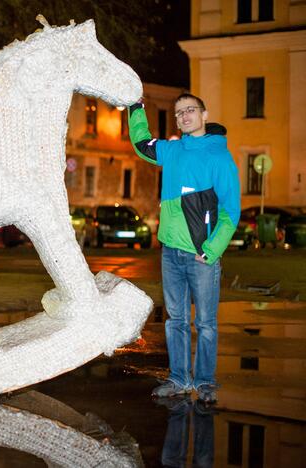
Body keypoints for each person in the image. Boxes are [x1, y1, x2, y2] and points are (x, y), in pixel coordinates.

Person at [128, 93, 240, 404]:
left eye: (190, 110)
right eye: (179, 113)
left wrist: (212, 249)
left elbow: (231, 211)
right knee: (175, 320)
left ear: (204, 114)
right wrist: (134, 107)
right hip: (170, 253)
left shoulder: (219, 158)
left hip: (201, 255)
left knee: (205, 322)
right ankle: (179, 378)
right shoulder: (172, 150)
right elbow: (141, 144)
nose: (184, 116)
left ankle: (204, 382)